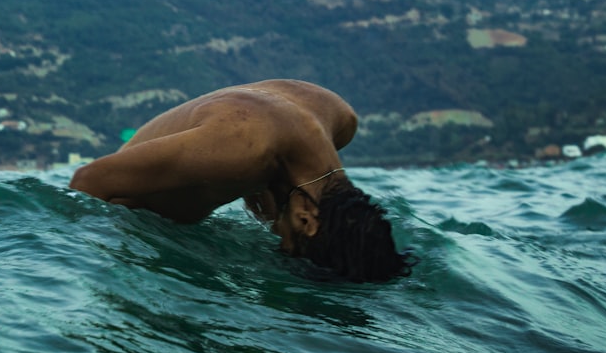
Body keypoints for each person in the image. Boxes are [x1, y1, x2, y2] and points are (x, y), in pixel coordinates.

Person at [69, 79, 412, 282]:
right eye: (291, 248)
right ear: (307, 220)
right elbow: (89, 180)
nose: (280, 243)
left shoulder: (338, 118)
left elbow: (267, 137)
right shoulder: (239, 150)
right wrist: (83, 260)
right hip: (130, 247)